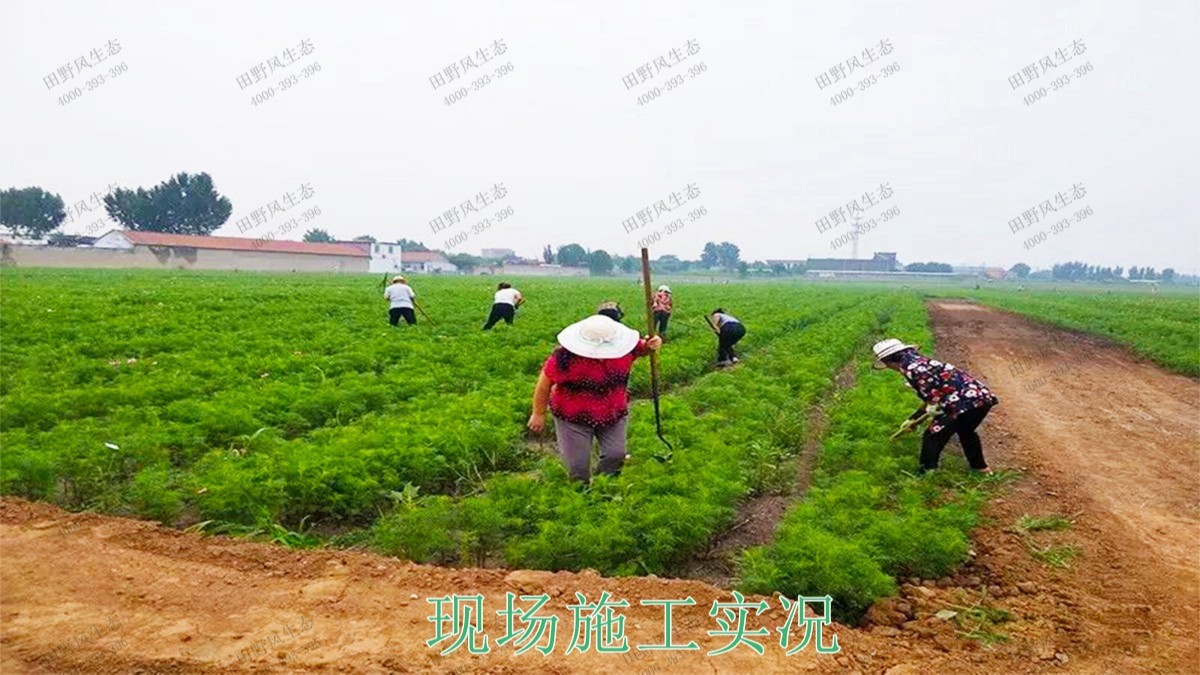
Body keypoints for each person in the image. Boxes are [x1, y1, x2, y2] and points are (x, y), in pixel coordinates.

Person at [527, 314, 663, 483]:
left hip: (613, 413)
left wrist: (652, 344)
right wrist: (538, 413)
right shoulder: (565, 358)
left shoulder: (625, 349)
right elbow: (544, 384)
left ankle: (603, 487)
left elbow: (644, 347)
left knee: (616, 455)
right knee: (577, 467)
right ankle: (582, 496)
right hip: (572, 417)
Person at [873, 338, 998, 475]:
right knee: (966, 432)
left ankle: (926, 474)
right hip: (981, 398)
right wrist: (913, 418)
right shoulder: (917, 361)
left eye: (887, 365)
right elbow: (931, 395)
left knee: (933, 435)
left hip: (962, 403)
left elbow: (932, 399)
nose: (890, 369)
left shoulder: (913, 368)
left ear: (889, 361)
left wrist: (933, 406)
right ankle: (981, 469)